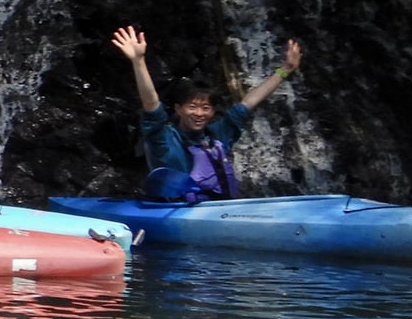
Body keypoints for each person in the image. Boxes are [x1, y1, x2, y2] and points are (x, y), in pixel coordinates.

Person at [110, 25, 304, 201]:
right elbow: (151, 103)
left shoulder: (218, 135)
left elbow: (248, 103)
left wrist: (285, 70)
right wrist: (138, 60)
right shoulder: (163, 139)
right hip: (174, 211)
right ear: (178, 109)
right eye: (192, 107)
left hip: (217, 210)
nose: (199, 113)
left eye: (206, 108)